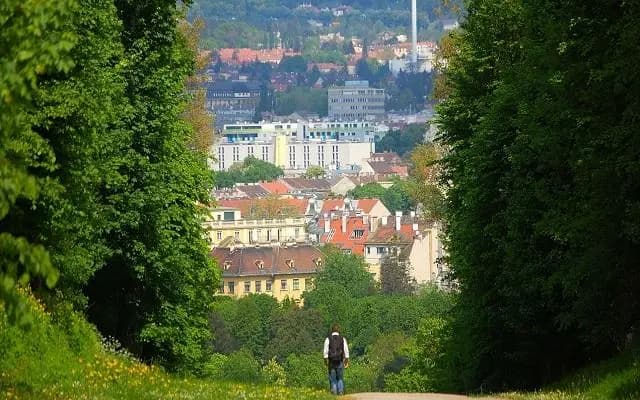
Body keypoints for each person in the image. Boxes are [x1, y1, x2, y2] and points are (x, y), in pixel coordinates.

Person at [323, 323, 349, 395]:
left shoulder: (328, 339)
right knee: (340, 378)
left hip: (331, 362)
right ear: (339, 330)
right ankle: (340, 392)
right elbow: (346, 352)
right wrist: (346, 362)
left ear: (332, 330)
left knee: (333, 379)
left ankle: (334, 394)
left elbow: (325, 353)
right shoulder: (342, 339)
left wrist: (325, 362)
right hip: (340, 361)